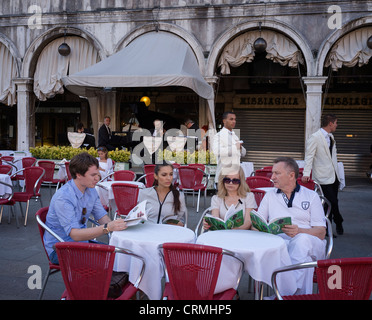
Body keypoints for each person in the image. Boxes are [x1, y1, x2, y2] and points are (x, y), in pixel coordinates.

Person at [257, 157, 326, 295]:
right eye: (272, 173)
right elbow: (258, 222)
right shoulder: (269, 196)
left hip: (311, 243)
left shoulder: (311, 196)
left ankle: (285, 294)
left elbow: (321, 232)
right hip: (282, 244)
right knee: (300, 258)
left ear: (291, 175)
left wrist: (299, 230)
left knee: (302, 240)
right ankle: (296, 296)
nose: (272, 177)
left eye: (277, 173)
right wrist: (261, 227)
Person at [43, 152, 127, 264]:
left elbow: (102, 216)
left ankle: (108, 280)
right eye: (93, 175)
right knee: (111, 259)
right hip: (60, 248)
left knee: (122, 254)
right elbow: (75, 235)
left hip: (81, 243)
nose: (97, 178)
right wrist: (107, 228)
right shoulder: (63, 197)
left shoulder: (91, 190)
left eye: (97, 174)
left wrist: (119, 226)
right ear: (78, 174)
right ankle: (101, 281)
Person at [302, 114, 344, 235]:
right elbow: (309, 156)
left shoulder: (331, 137)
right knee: (331, 201)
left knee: (330, 202)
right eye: (336, 122)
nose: (337, 125)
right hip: (322, 176)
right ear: (330, 123)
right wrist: (306, 173)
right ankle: (339, 220)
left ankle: (327, 229)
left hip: (334, 175)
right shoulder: (315, 137)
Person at [212, 111, 246, 180]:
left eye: (235, 119)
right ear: (224, 121)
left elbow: (244, 153)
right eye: (231, 119)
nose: (234, 121)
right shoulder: (218, 135)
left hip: (235, 175)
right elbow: (216, 151)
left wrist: (240, 147)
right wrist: (235, 147)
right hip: (223, 176)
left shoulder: (234, 135)